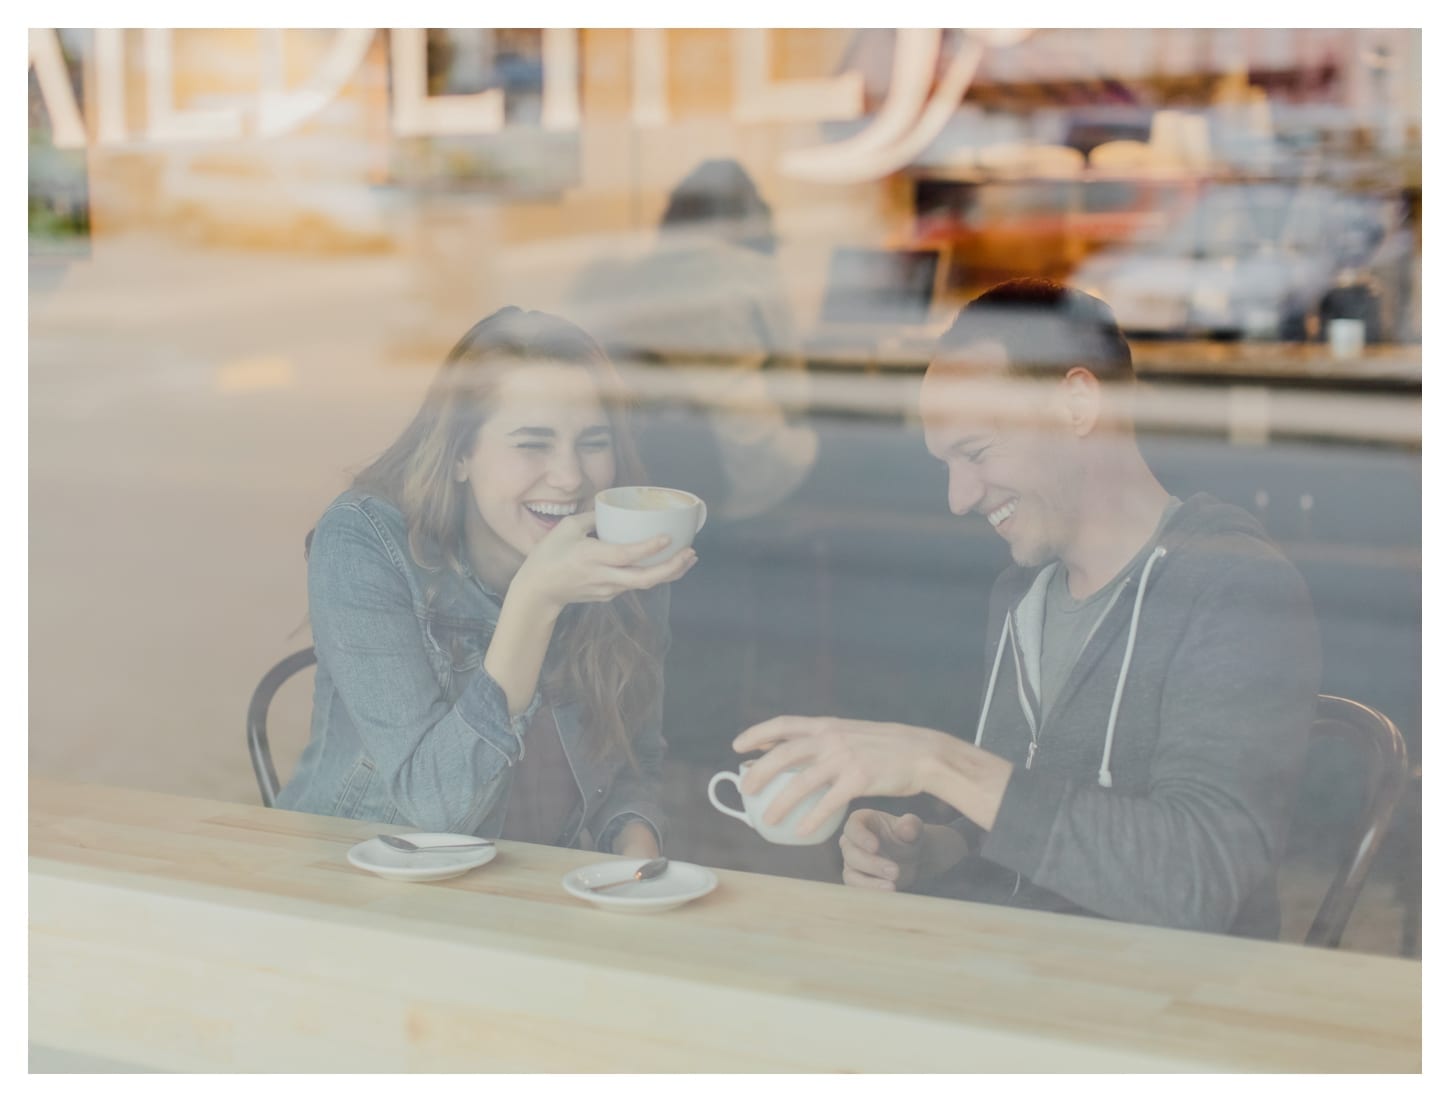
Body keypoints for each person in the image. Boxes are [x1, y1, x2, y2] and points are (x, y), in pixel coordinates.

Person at [732, 278, 1321, 938]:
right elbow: (1036, 822)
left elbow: (1200, 882)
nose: (959, 497)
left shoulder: (1233, 586)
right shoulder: (1020, 594)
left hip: (1162, 1013)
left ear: (1076, 404)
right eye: (946, 464)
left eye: (977, 453)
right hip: (1017, 978)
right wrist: (935, 850)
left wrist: (939, 762)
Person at [276, 308, 696, 856]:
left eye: (593, 442)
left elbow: (631, 764)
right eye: (532, 444)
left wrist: (639, 867)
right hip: (358, 891)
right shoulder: (365, 542)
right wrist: (535, 601)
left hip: (530, 895)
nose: (570, 477)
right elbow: (437, 812)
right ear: (459, 455)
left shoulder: (619, 547)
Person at [566, 157, 818, 522]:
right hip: (744, 469)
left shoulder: (632, 277)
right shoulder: (754, 274)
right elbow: (797, 393)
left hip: (650, 472)